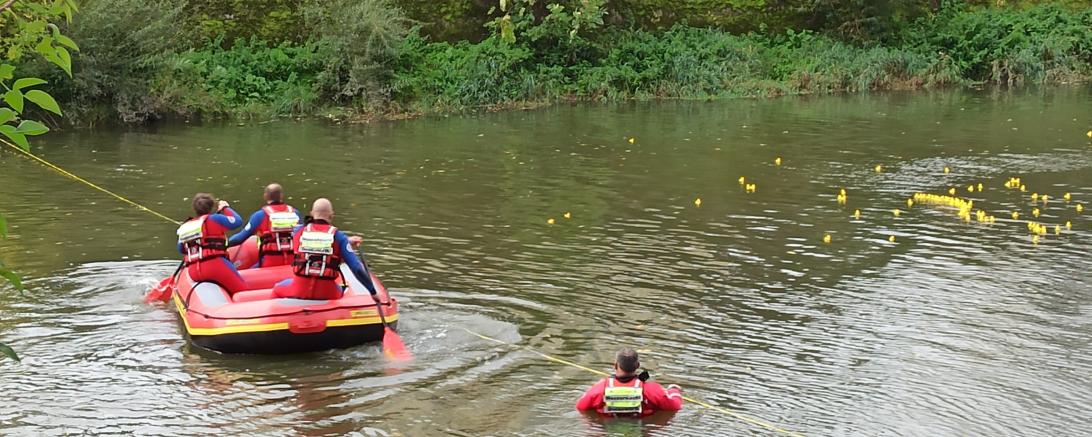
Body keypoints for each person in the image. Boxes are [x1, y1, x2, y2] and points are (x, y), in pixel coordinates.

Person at [271, 198, 378, 300]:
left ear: (312, 213)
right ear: (331, 216)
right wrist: (373, 292)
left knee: (277, 287)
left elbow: (315, 240)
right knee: (343, 288)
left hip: (298, 290)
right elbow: (357, 268)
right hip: (328, 293)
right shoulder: (339, 237)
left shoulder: (297, 232)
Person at [176, 193, 249, 294]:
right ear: (211, 207)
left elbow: (181, 249)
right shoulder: (216, 219)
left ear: (195, 209)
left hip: (194, 272)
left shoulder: (186, 226)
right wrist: (225, 208)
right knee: (243, 291)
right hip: (215, 267)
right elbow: (237, 221)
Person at [575, 348, 683, 416]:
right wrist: (674, 390)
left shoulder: (599, 389)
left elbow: (581, 407)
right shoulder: (652, 389)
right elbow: (674, 407)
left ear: (615, 365)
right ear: (638, 366)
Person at [227, 183, 303, 268]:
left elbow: (239, 238)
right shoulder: (296, 213)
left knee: (246, 274)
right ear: (282, 196)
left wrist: (223, 244)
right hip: (293, 263)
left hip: (269, 263)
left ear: (265, 196)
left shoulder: (259, 216)